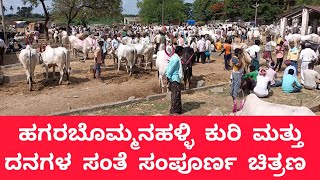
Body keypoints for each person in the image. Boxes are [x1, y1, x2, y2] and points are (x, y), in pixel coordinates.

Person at [166, 46, 184, 115]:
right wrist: (168, 77)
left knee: (175, 94)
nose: (182, 53)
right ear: (179, 52)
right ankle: (175, 111)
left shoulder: (174, 57)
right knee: (176, 95)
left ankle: (177, 109)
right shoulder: (176, 59)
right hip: (174, 79)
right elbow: (171, 69)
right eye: (182, 52)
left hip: (173, 78)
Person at [230, 48, 244, 113]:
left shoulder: (235, 58)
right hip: (237, 74)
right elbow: (238, 66)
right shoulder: (235, 58)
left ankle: (233, 95)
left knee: (234, 84)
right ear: (238, 54)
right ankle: (236, 99)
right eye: (241, 53)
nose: (242, 54)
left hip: (236, 73)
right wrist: (241, 59)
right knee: (236, 85)